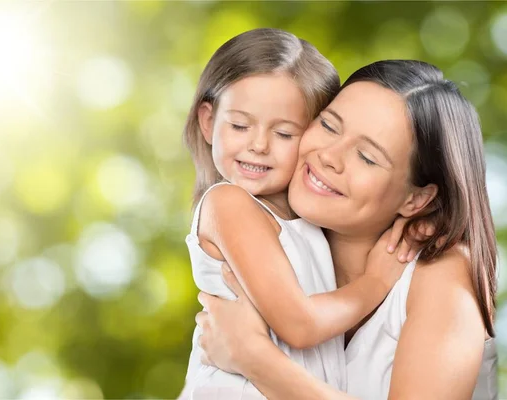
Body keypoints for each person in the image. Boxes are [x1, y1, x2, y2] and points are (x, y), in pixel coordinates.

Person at [196, 60, 498, 399]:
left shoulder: (442, 271)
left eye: (367, 158)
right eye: (328, 126)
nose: (329, 157)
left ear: (416, 199)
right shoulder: (275, 243)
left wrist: (255, 360)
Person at [181, 29, 422, 399]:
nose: (258, 145)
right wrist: (375, 281)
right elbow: (300, 325)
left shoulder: (308, 220)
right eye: (241, 125)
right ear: (209, 121)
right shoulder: (227, 203)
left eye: (284, 133)